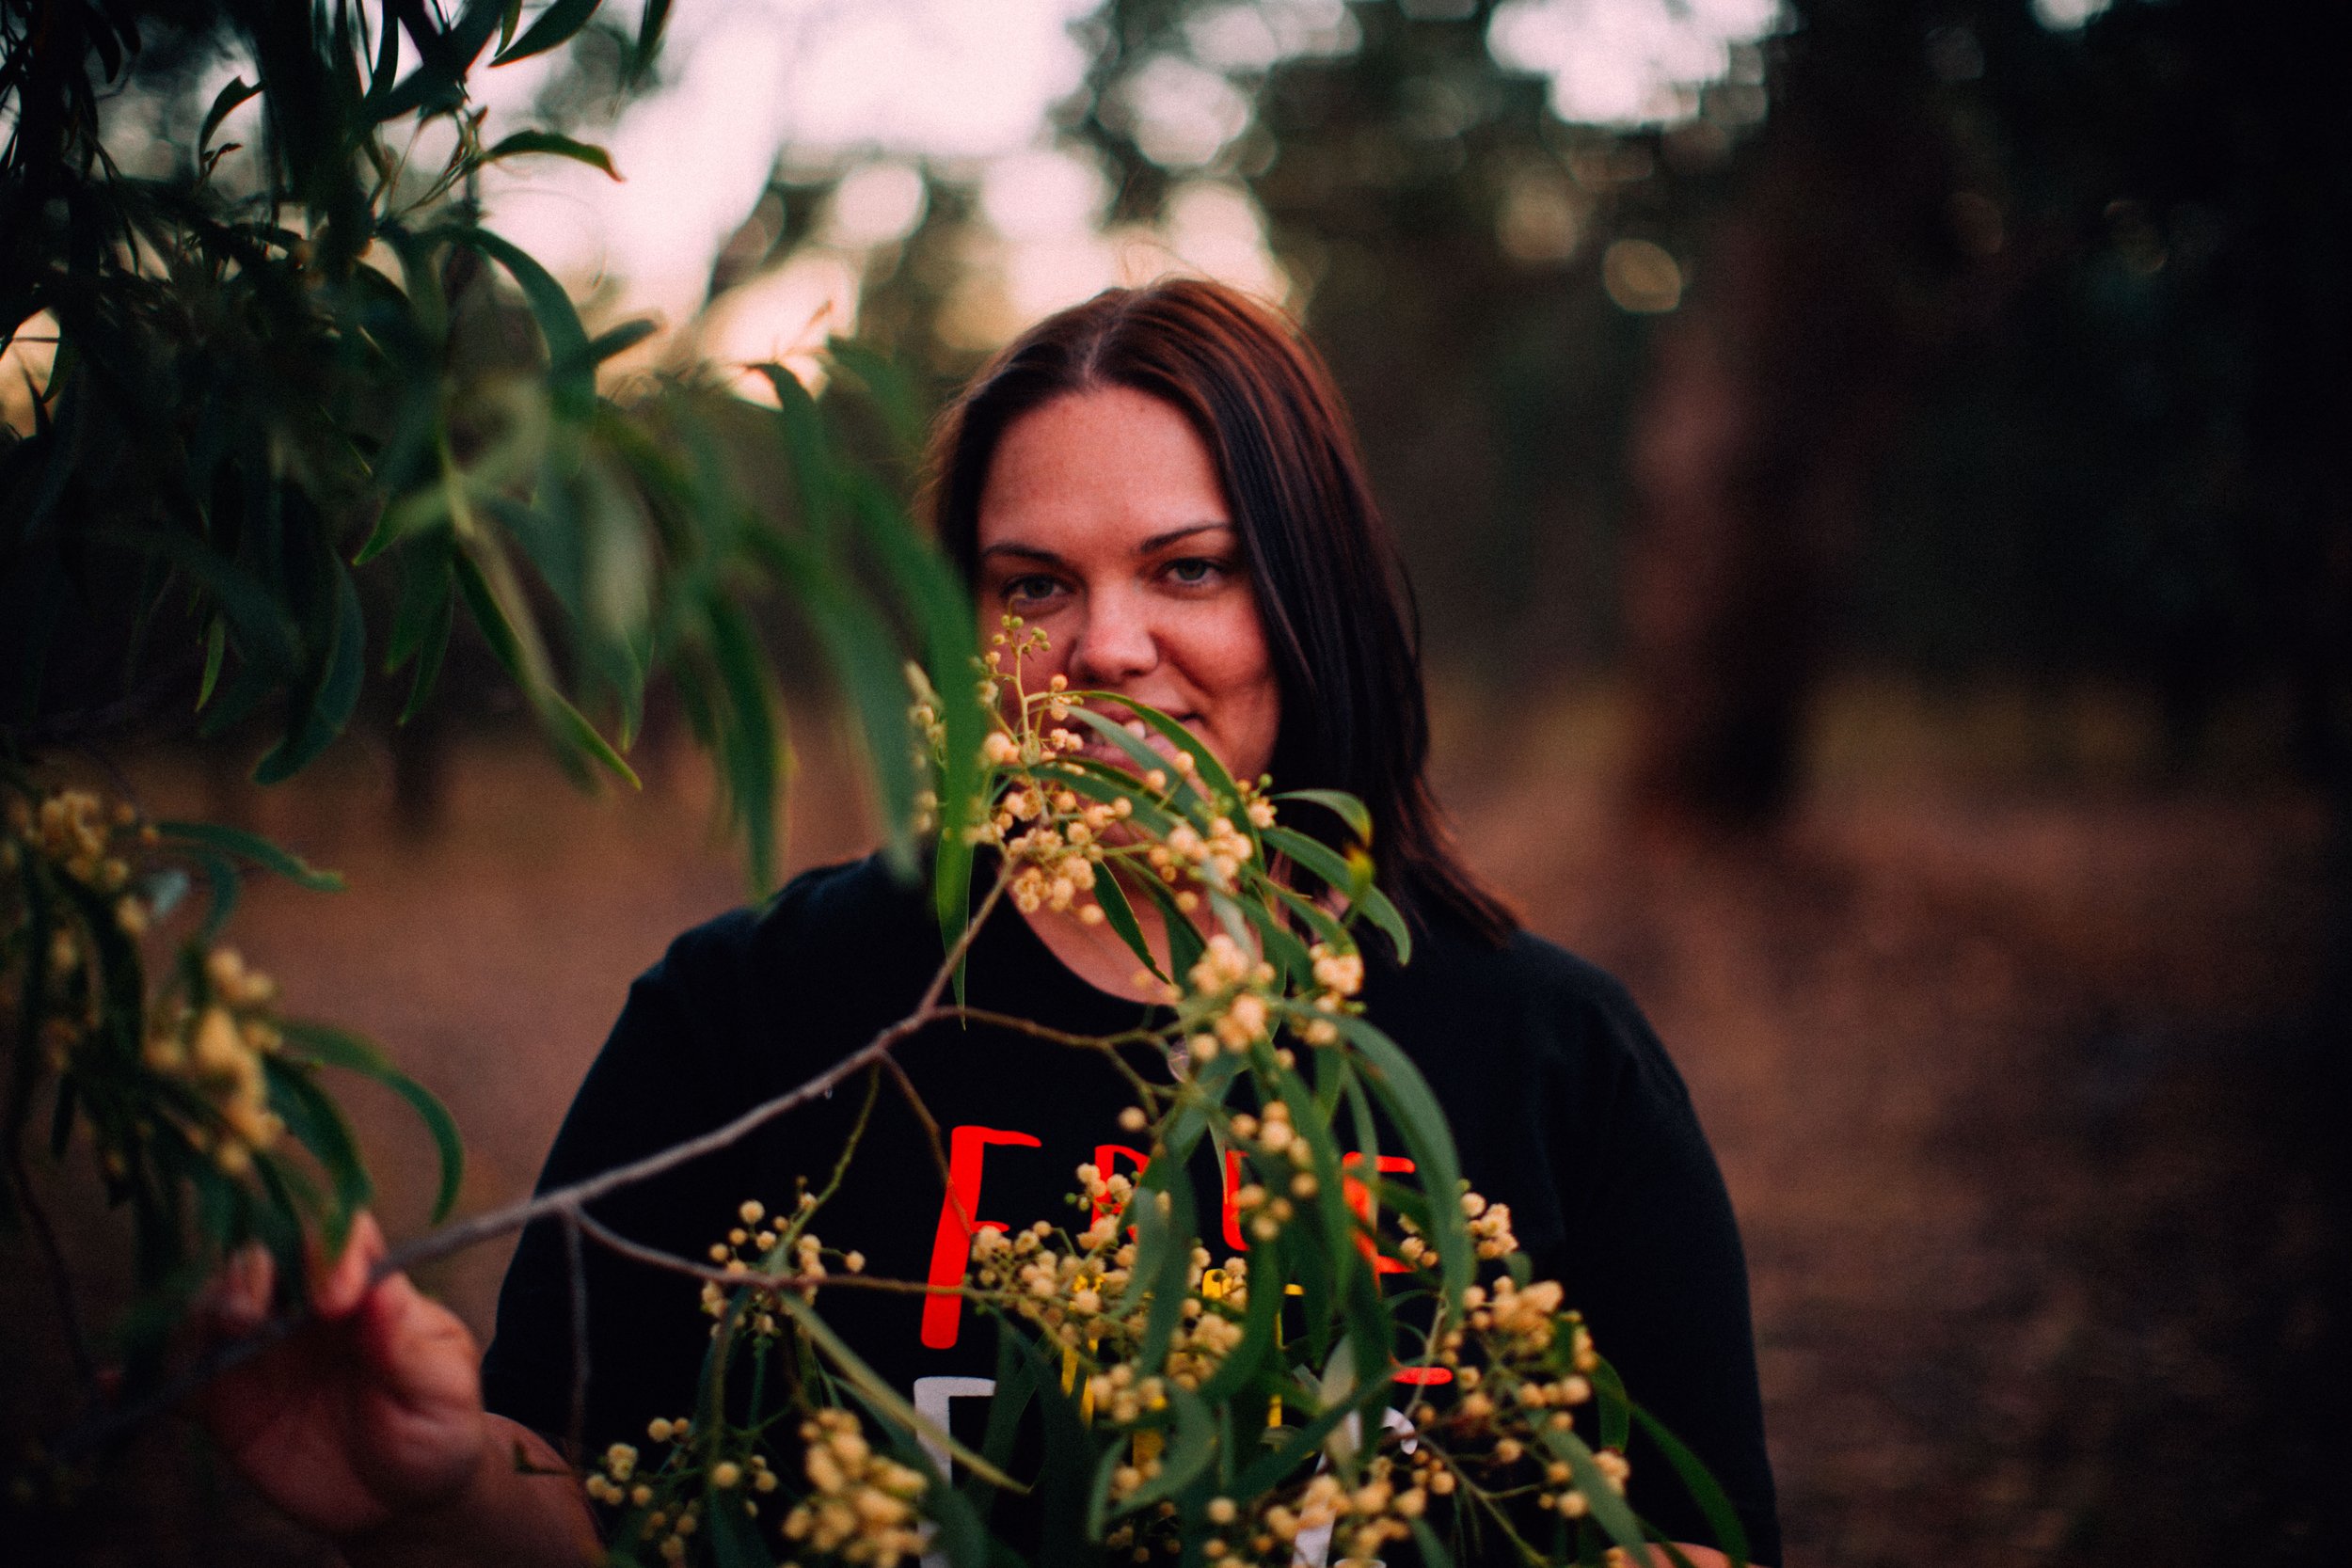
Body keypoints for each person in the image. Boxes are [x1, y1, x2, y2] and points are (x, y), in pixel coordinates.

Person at [198, 279, 1781, 1567]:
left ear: (1315, 593)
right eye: (1030, 586)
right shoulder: (757, 1014)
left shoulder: (1542, 1057)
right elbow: (603, 1508)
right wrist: (443, 1490)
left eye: (1192, 568)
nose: (1107, 647)